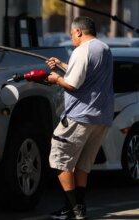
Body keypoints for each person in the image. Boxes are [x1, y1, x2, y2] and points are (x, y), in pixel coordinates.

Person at [45, 16, 114, 220]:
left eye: (72, 35)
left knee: (60, 159)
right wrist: (62, 65)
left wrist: (56, 78)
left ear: (78, 32)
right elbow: (85, 75)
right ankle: (75, 207)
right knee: (83, 164)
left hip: (79, 116)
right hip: (101, 117)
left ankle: (76, 210)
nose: (72, 39)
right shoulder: (103, 48)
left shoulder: (81, 50)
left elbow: (73, 85)